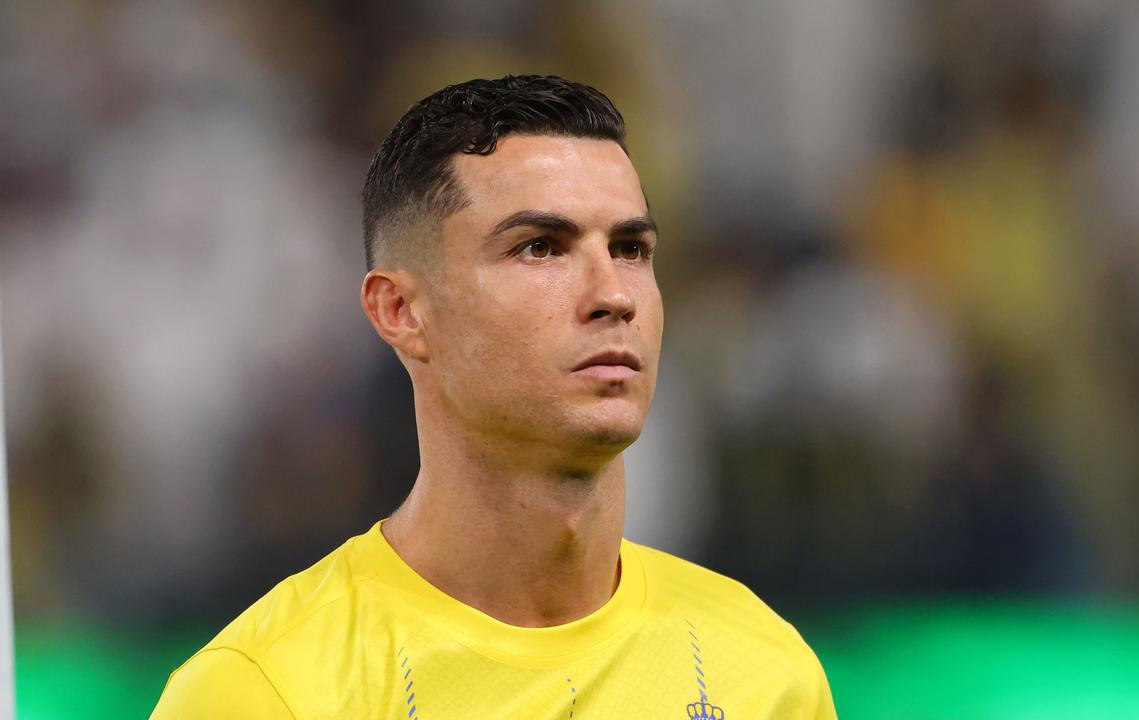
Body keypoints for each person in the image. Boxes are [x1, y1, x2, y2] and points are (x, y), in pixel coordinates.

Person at [151, 74, 837, 719]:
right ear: (400, 311)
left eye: (630, 248)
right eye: (541, 247)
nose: (614, 296)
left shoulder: (766, 675)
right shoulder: (269, 690)